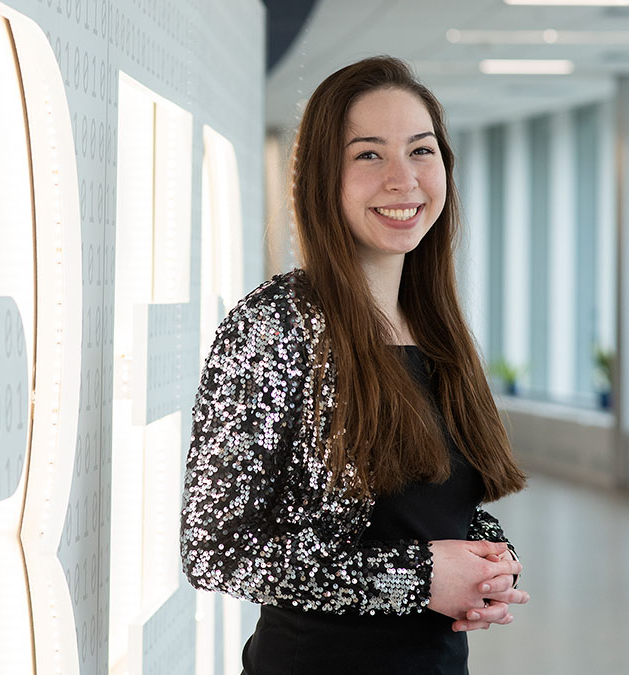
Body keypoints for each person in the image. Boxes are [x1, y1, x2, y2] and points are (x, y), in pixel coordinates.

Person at [179, 56, 531, 674]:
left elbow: (418, 505)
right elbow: (216, 548)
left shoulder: (437, 329)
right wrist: (420, 575)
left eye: (421, 151)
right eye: (369, 155)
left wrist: (485, 559)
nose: (404, 179)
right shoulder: (275, 325)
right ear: (323, 178)